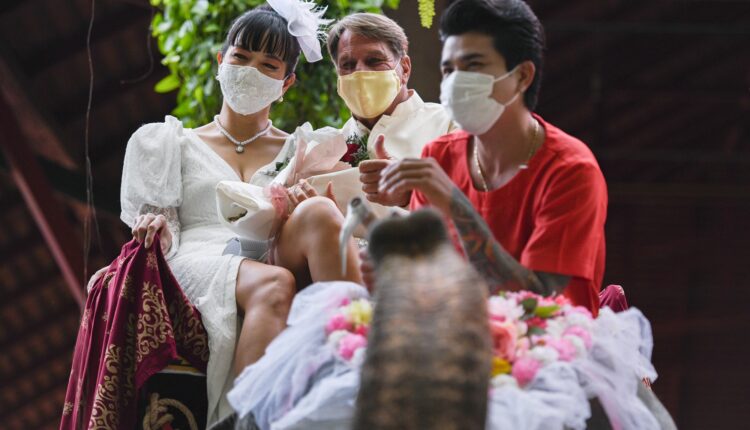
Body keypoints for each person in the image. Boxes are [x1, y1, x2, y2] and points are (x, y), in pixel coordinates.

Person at [117, 3, 360, 424]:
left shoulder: (304, 149)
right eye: (241, 57)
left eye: (268, 65)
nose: (250, 70)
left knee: (320, 211)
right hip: (198, 256)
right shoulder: (170, 142)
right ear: (220, 61)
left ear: (286, 83)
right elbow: (165, 228)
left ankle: (357, 359)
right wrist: (155, 225)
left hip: (269, 248)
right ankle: (246, 420)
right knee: (274, 283)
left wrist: (300, 205)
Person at [372, 0, 608, 313]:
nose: (455, 82)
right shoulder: (438, 156)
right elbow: (423, 277)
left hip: (548, 338)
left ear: (522, 76)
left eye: (473, 66)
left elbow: (540, 306)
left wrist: (457, 208)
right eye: (448, 70)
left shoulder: (570, 171)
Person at [321, 13, 455, 207]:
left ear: (405, 69)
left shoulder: (449, 124)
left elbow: (478, 203)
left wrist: (410, 195)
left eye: (374, 60)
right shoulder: (325, 147)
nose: (360, 72)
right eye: (347, 65)